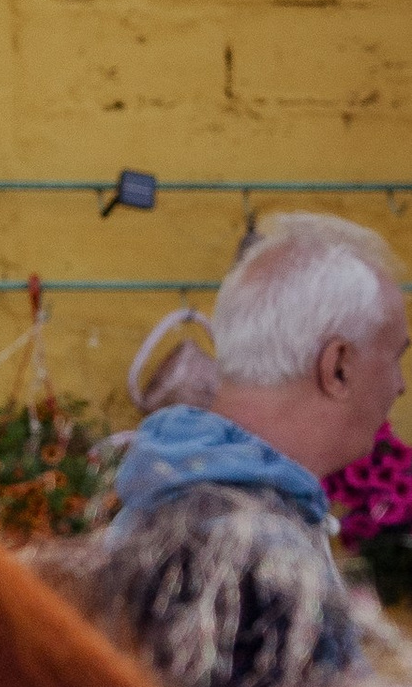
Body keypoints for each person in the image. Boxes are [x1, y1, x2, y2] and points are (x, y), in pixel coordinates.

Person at [113, 209, 408, 534]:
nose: (401, 386)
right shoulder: (259, 545)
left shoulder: (164, 493)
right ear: (338, 368)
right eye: (395, 358)